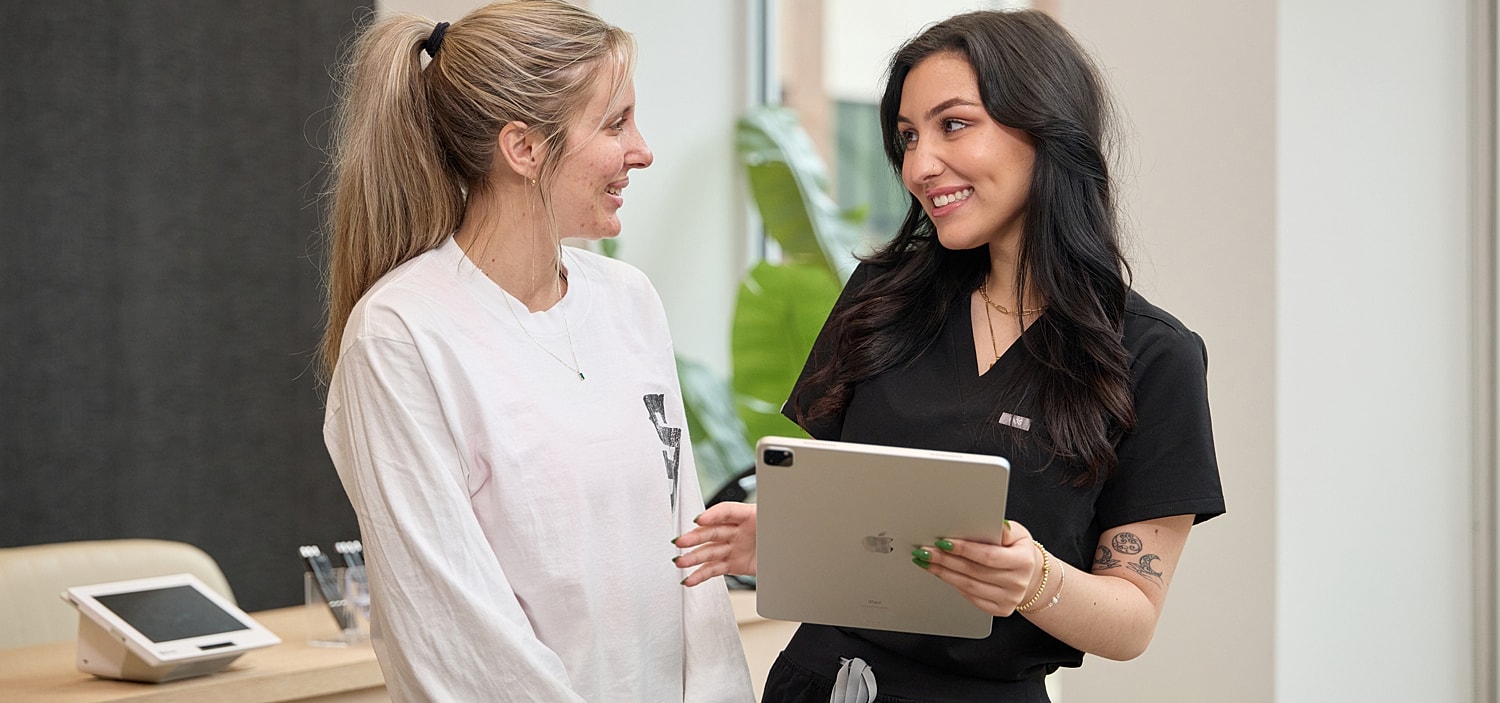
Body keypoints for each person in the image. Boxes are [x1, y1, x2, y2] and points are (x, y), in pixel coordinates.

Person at [674, 9, 1225, 702]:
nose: (918, 165)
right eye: (906, 137)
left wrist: (1034, 578)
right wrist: (785, 536)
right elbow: (859, 515)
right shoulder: (883, 299)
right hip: (822, 684)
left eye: (953, 124)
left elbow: (1131, 619)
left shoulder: (1151, 356)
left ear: (1045, 127)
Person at [318, 2, 754, 700]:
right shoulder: (400, 336)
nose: (642, 150)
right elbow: (455, 637)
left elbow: (691, 560)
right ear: (523, 148)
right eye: (615, 124)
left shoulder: (629, 300)